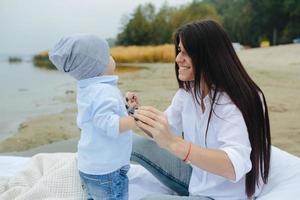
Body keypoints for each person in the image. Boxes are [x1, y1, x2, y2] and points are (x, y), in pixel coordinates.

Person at [132, 19, 271, 200]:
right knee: (131, 142)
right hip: (197, 178)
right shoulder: (188, 93)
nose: (177, 59)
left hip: (224, 195)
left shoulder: (233, 101)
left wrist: (175, 144)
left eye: (185, 52)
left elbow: (234, 165)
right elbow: (166, 129)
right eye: (179, 50)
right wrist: (134, 111)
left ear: (207, 55)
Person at [49, 34, 138, 200]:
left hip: (92, 166)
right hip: (107, 170)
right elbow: (109, 124)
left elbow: (101, 116)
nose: (112, 58)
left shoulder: (90, 88)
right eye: (108, 55)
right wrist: (136, 119)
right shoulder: (104, 91)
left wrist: (129, 109)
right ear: (98, 65)